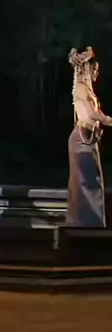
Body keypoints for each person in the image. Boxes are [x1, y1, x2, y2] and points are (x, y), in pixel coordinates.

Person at [66, 47, 112, 227]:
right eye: (94, 69)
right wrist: (107, 120)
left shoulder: (88, 89)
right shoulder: (81, 88)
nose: (96, 73)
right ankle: (84, 224)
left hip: (89, 139)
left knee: (92, 182)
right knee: (85, 183)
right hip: (82, 139)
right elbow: (92, 114)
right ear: (86, 68)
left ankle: (91, 223)